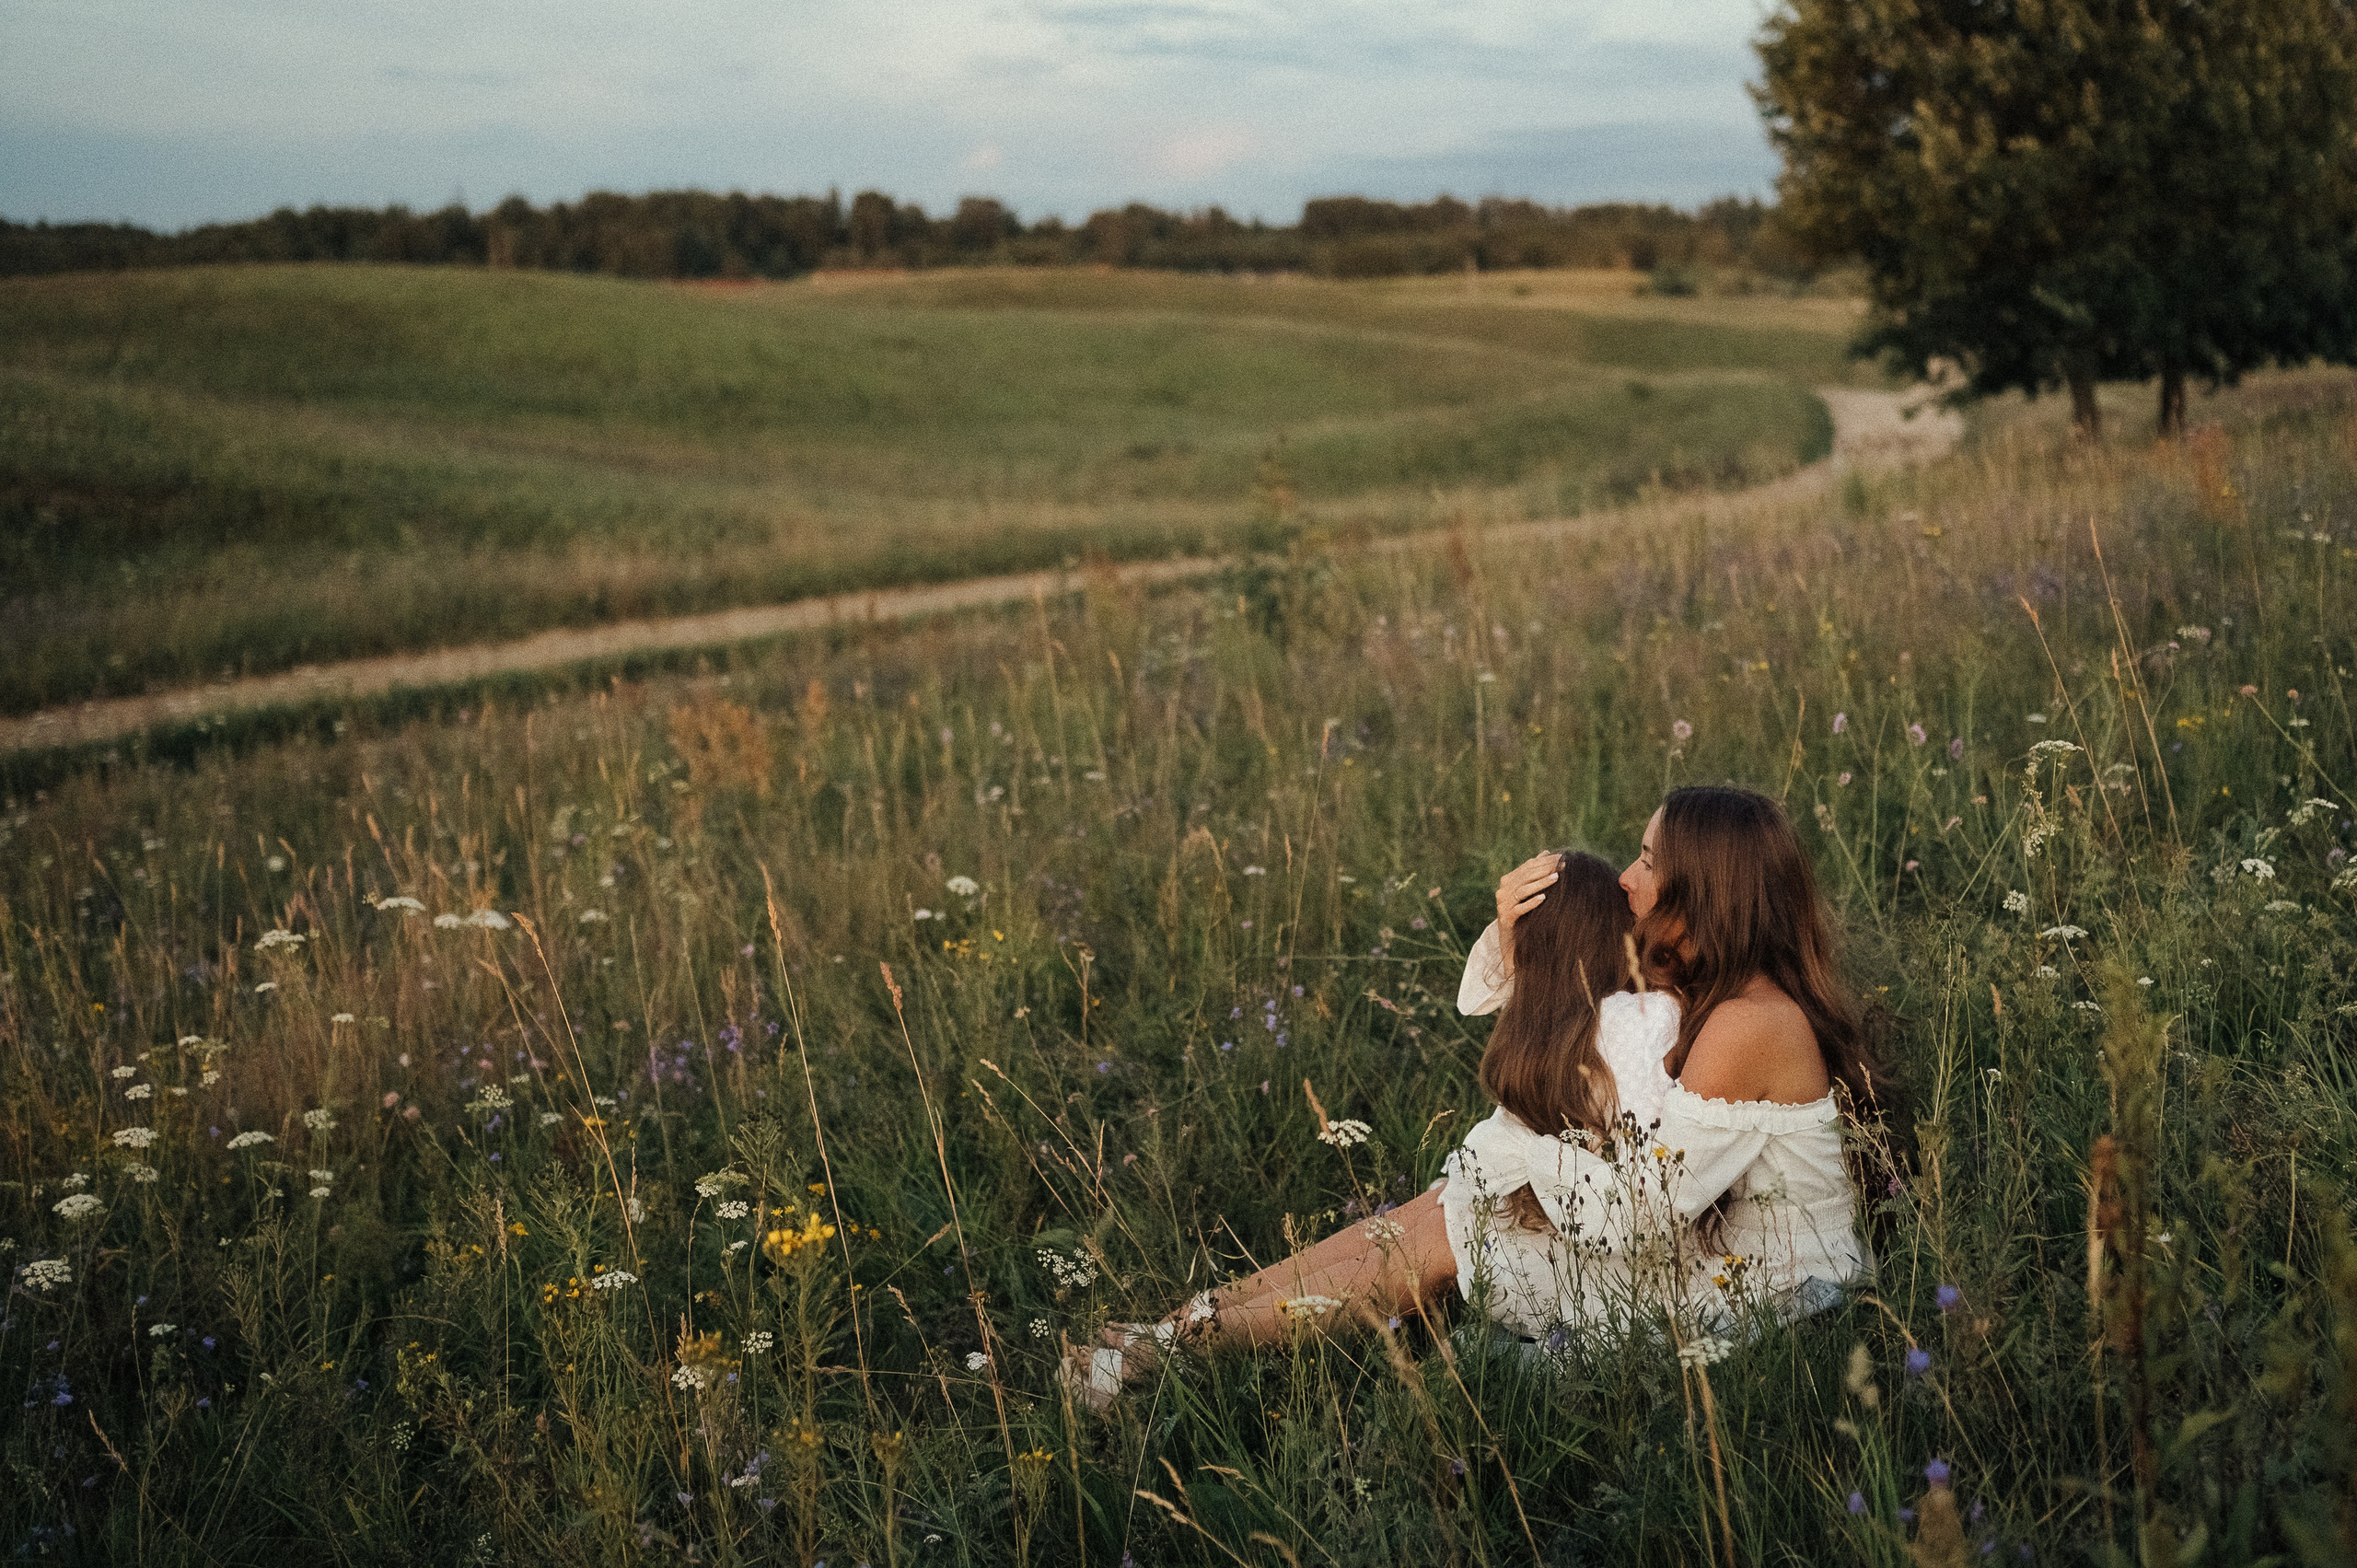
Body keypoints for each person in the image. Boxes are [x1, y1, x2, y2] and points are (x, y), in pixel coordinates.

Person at [1067, 785, 1877, 1403]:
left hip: (1756, 1299)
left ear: (1705, 892)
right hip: (1691, 1251)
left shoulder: (1749, 1023)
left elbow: (1636, 1213)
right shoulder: (1701, 980)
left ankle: (1167, 1357)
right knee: (1438, 1210)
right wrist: (1516, 925)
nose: (1628, 878)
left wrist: (1520, 1153)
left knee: (1450, 1231)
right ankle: (1174, 1328)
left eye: (1649, 861)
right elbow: (1561, 1001)